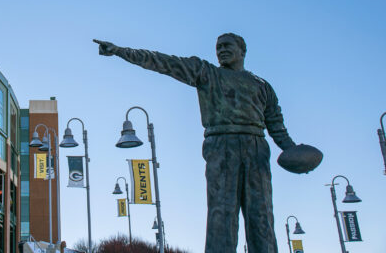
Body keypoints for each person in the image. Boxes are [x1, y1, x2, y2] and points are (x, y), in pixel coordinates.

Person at [94, 33, 297, 253]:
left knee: (261, 215)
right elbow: (163, 62)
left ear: (242, 51)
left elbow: (277, 126)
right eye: (218, 47)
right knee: (222, 215)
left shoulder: (262, 86)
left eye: (227, 46)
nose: (221, 50)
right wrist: (120, 51)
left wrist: (294, 151)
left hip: (256, 149)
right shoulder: (207, 73)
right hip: (221, 146)